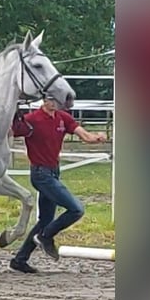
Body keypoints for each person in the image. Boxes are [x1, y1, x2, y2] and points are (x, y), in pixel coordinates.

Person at [9, 96, 107, 273]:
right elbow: (10, 132)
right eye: (50, 99)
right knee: (76, 209)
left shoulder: (63, 118)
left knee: (45, 220)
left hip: (54, 172)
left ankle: (20, 259)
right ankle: (45, 236)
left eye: (56, 99)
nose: (54, 102)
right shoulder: (32, 120)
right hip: (41, 174)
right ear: (43, 100)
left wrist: (96, 137)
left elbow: (84, 136)